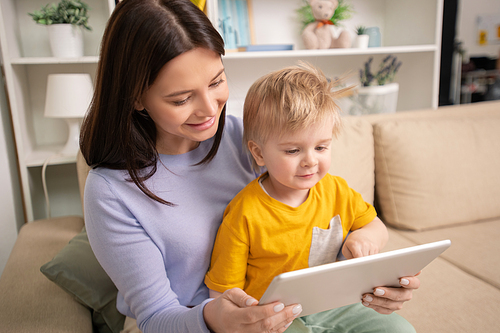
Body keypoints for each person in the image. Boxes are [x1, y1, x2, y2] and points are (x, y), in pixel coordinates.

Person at [80, 1, 420, 332]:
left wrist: (367, 280)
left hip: (290, 309)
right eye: (181, 99)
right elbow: (156, 317)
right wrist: (217, 319)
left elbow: (310, 231)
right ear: (136, 96)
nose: (208, 109)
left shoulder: (248, 138)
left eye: (216, 82)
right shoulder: (110, 191)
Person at [204, 63, 416, 332]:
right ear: (259, 154)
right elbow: (222, 294)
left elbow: (375, 226)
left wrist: (365, 237)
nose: (310, 161)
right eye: (293, 150)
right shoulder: (244, 213)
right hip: (273, 317)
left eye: (321, 147)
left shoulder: (336, 189)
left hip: (333, 304)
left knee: (399, 330)